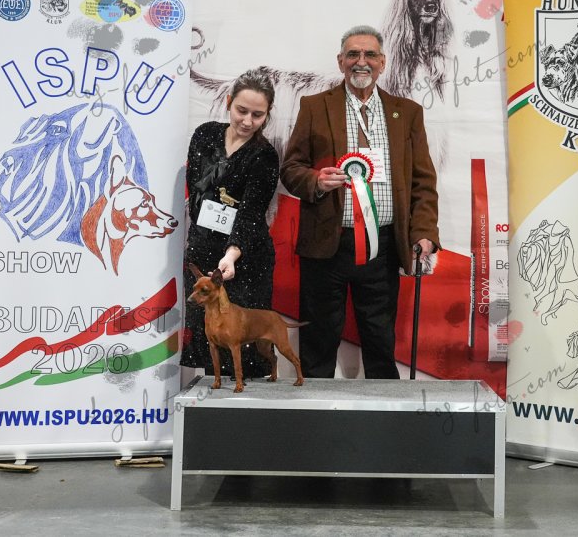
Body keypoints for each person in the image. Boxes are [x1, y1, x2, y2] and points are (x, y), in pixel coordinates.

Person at [280, 25, 440, 379]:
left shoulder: (407, 112)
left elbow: (423, 182)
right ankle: (316, 411)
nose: (361, 61)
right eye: (353, 54)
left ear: (383, 62)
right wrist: (316, 181)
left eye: (370, 54)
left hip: (383, 246)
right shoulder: (314, 106)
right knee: (318, 342)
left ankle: (385, 412)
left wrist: (425, 232)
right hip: (327, 244)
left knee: (381, 341)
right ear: (340, 61)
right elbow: (291, 168)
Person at [182, 67, 279, 379]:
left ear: (267, 114)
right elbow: (195, 192)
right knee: (210, 344)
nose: (247, 121)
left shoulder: (265, 155)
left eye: (257, 115)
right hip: (203, 254)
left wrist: (232, 254)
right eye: (242, 111)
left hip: (244, 260)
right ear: (228, 102)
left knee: (244, 354)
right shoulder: (204, 135)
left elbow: (251, 214)